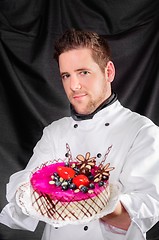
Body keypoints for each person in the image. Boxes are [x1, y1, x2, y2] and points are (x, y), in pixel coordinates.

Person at [1, 29, 159, 240]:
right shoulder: (54, 132)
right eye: (66, 75)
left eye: (83, 72)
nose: (73, 86)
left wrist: (80, 198)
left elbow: (139, 213)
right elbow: (28, 192)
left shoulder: (141, 131)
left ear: (108, 72)